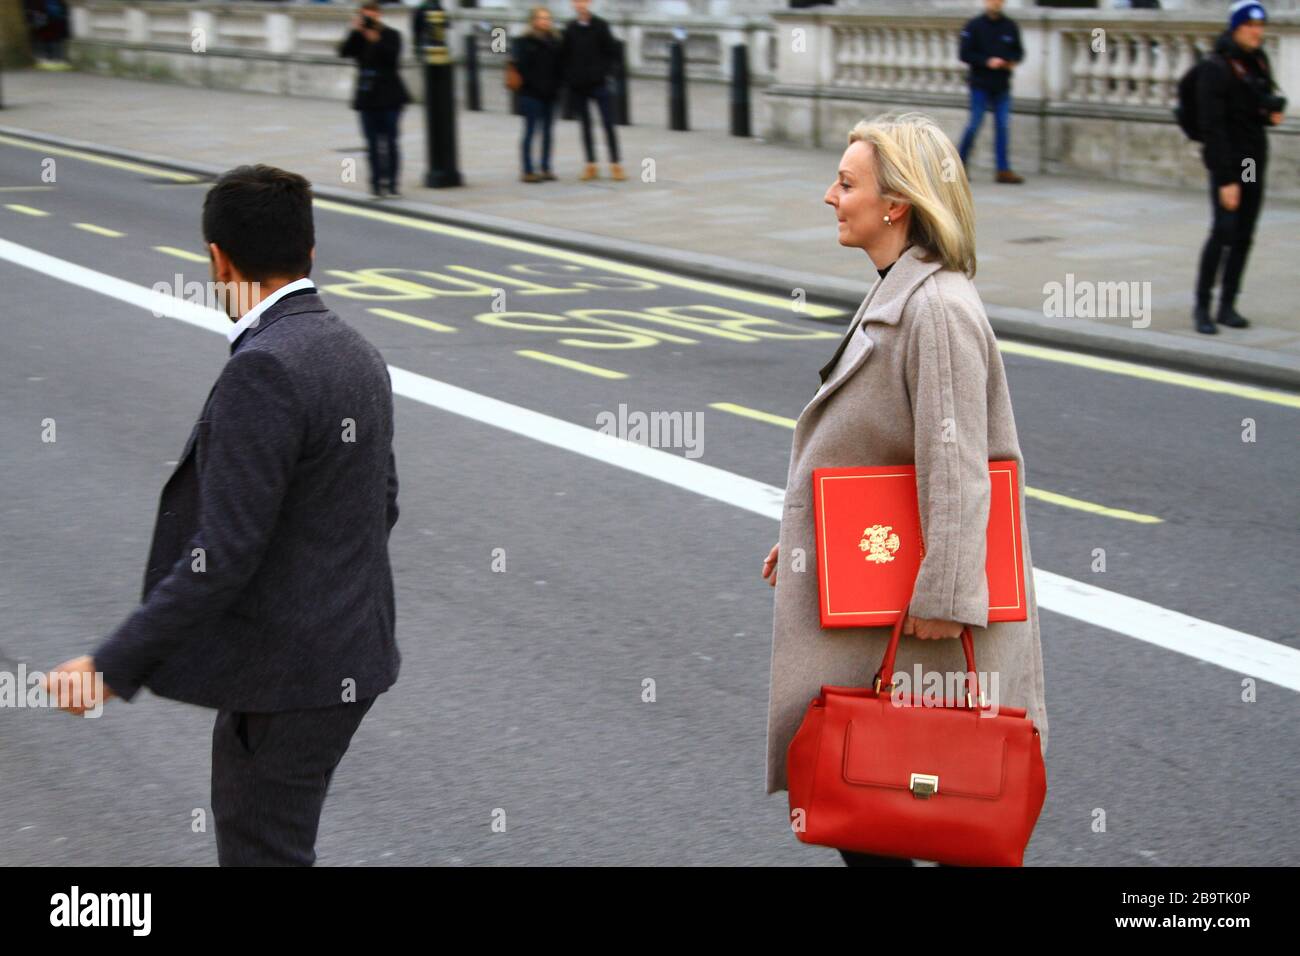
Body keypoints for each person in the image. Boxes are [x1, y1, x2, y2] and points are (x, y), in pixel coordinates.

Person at [45, 165, 401, 866]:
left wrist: (110, 665)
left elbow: (222, 554)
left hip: (289, 677)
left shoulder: (264, 368)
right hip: (345, 657)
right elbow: (380, 501)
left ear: (218, 259)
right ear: (310, 251)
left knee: (262, 853)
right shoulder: (357, 350)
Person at [761, 112, 1048, 866]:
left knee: (903, 808)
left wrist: (946, 594)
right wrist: (803, 537)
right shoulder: (899, 290)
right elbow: (880, 459)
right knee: (878, 812)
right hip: (892, 602)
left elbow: (956, 464)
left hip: (928, 621)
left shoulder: (936, 310)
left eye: (847, 182)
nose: (830, 196)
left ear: (897, 205)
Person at [1192, 1, 1285, 335]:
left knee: (1244, 233)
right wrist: (1227, 179)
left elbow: (1254, 107)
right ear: (1235, 27)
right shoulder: (1216, 67)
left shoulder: (1258, 61)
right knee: (1223, 231)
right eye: (1250, 25)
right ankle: (1202, 305)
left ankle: (1227, 304)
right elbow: (1212, 128)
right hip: (1229, 161)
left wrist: (1269, 113)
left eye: (1260, 26)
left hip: (1251, 160)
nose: (1257, 31)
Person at [339, 2, 412, 199]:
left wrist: (375, 39)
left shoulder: (392, 35)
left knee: (390, 142)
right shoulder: (359, 37)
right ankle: (376, 183)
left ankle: (392, 183)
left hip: (390, 96)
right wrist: (355, 31)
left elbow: (392, 59)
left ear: (379, 16)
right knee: (371, 143)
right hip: (367, 98)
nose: (369, 20)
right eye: (365, 17)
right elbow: (343, 52)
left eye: (372, 16)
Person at [957, 0, 1024, 184]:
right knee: (974, 124)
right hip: (980, 84)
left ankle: (1003, 169)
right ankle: (959, 165)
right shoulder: (974, 26)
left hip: (1002, 85)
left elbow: (1019, 52)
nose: (995, 3)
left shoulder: (1010, 26)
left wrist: (1009, 61)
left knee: (1002, 126)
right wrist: (986, 61)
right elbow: (964, 54)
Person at [560, 0, 625, 182]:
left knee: (608, 124)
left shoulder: (601, 26)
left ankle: (615, 163)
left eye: (584, 1)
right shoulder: (570, 28)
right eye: (577, 2)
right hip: (579, 86)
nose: (580, 5)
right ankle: (591, 164)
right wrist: (570, 77)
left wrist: (606, 72)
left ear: (590, 3)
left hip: (599, 84)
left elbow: (613, 52)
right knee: (585, 126)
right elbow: (564, 55)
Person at [511, 6, 563, 183]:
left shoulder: (556, 41)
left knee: (548, 132)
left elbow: (560, 68)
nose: (545, 21)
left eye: (548, 18)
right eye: (541, 18)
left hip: (551, 94)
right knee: (530, 132)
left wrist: (557, 86)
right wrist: (535, 85)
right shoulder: (523, 42)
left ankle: (546, 167)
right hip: (531, 94)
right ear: (533, 20)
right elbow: (521, 68)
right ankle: (527, 170)